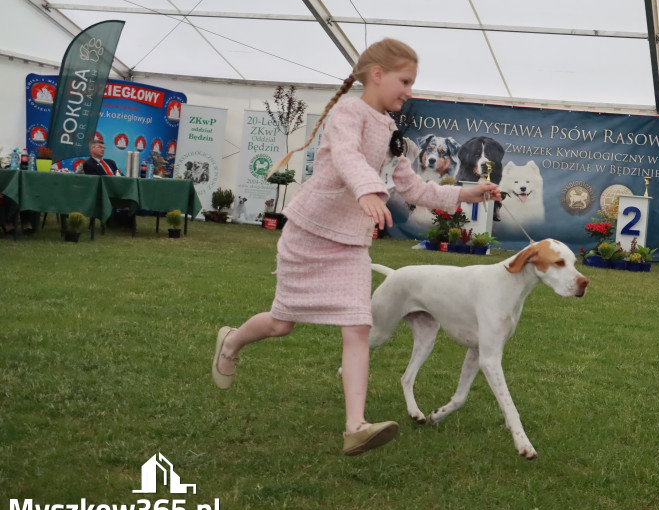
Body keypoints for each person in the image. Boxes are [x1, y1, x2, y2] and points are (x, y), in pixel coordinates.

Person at [211, 38, 501, 456]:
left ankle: (355, 427)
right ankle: (233, 341)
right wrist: (367, 191)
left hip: (350, 245)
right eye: (405, 80)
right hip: (309, 233)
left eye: (413, 82)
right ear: (377, 75)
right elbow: (346, 157)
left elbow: (414, 187)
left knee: (359, 326)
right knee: (281, 323)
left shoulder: (393, 134)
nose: (409, 90)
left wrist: (468, 194)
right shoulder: (348, 113)